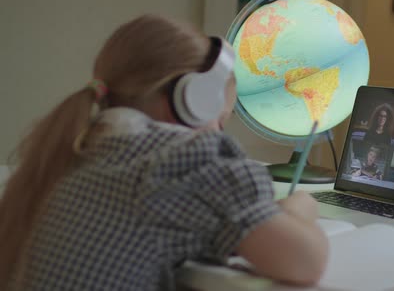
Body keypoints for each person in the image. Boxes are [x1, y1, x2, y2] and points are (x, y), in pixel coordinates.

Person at [0, 15, 328, 290]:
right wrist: (296, 210)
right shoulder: (179, 162)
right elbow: (305, 262)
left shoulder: (79, 145)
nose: (218, 132)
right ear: (193, 102)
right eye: (221, 119)